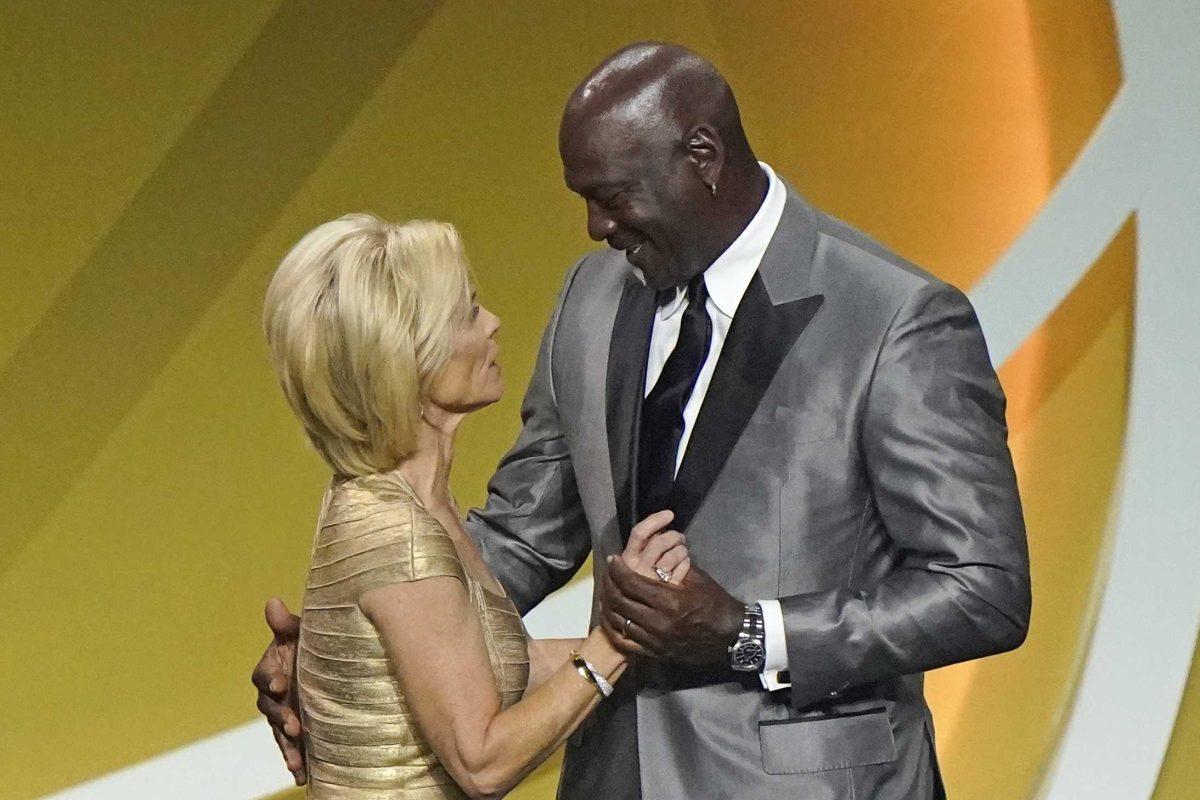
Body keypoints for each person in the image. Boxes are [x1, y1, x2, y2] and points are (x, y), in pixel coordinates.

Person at [255, 44, 1030, 799]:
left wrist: (751, 632)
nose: (595, 226)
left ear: (702, 155)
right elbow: (526, 534)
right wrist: (358, 650)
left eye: (612, 196)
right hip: (611, 774)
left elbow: (983, 587)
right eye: (582, 198)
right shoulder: (591, 301)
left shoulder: (894, 320)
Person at [258, 213, 691, 799]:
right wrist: (615, 638)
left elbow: (504, 666)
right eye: (467, 312)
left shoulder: (418, 507)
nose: (493, 323)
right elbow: (482, 762)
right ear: (409, 357)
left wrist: (679, 647)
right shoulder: (396, 534)